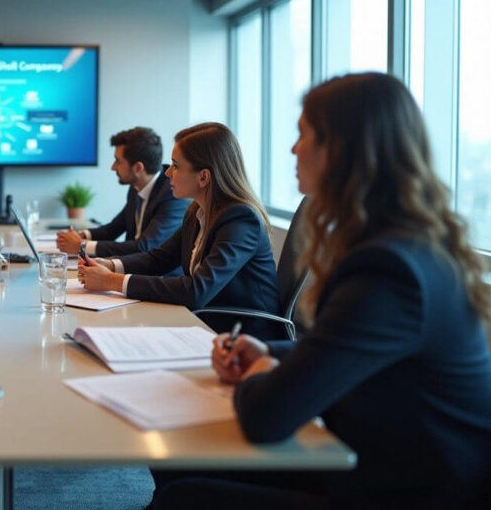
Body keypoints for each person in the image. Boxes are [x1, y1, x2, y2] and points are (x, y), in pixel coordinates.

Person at [153, 73, 491, 510]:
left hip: (411, 488)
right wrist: (270, 352)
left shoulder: (389, 270)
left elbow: (265, 418)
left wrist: (261, 371)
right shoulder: (406, 248)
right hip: (380, 456)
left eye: (303, 134)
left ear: (341, 150)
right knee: (181, 460)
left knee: (188, 495)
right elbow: (345, 346)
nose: (293, 149)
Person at [78, 122, 279, 338]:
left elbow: (197, 290)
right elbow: (159, 259)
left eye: (175, 165)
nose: (167, 173)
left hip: (244, 339)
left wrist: (111, 281)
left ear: (204, 177)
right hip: (204, 323)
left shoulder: (240, 219)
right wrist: (109, 265)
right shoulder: (196, 211)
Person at [57, 126, 188, 258]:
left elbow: (144, 246)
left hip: (154, 270)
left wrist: (82, 246)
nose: (113, 167)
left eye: (118, 161)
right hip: (131, 266)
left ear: (138, 168)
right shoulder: (136, 187)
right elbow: (113, 229)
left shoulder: (173, 195)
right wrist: (81, 235)